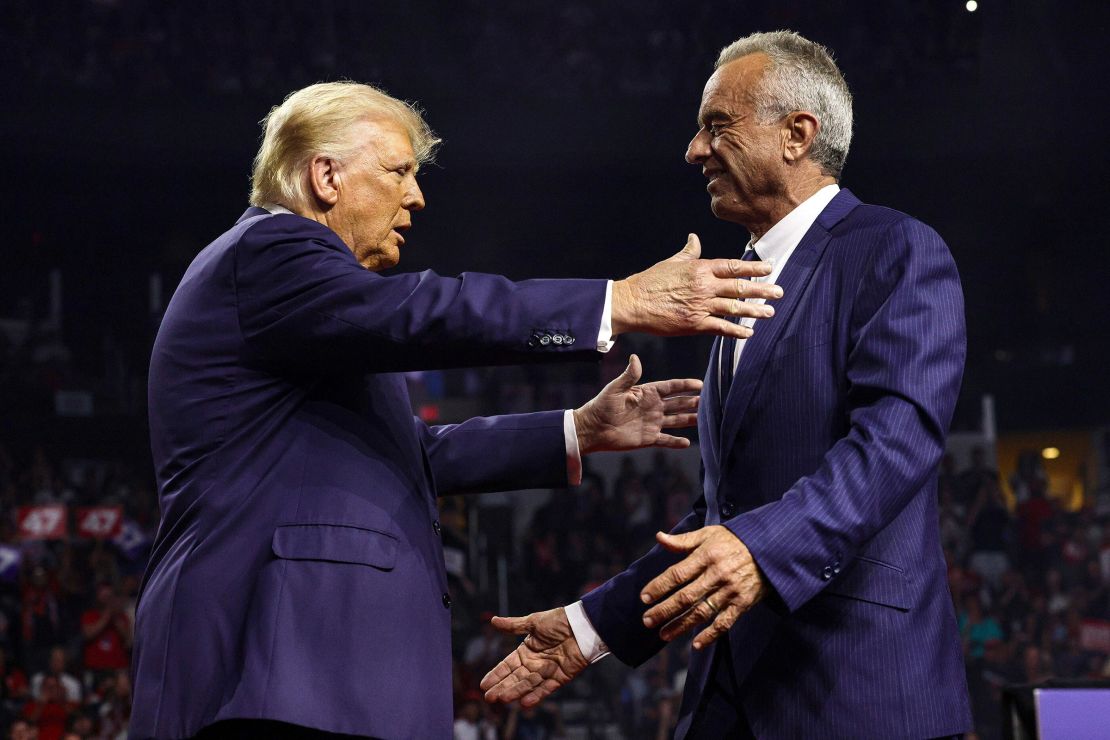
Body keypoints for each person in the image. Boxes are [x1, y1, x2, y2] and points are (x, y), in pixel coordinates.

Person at [131, 81, 782, 739]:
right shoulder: (270, 254)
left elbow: (411, 454)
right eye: (398, 172)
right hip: (275, 670)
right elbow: (425, 312)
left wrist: (577, 431)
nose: (416, 196)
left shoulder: (310, 312)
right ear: (325, 176)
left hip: (320, 675)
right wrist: (615, 303)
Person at [482, 30, 972, 738]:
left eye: (717, 127)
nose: (693, 150)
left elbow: (896, 442)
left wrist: (759, 549)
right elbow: (724, 514)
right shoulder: (743, 285)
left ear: (797, 135)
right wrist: (593, 627)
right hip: (730, 693)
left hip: (858, 692)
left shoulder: (894, 250)